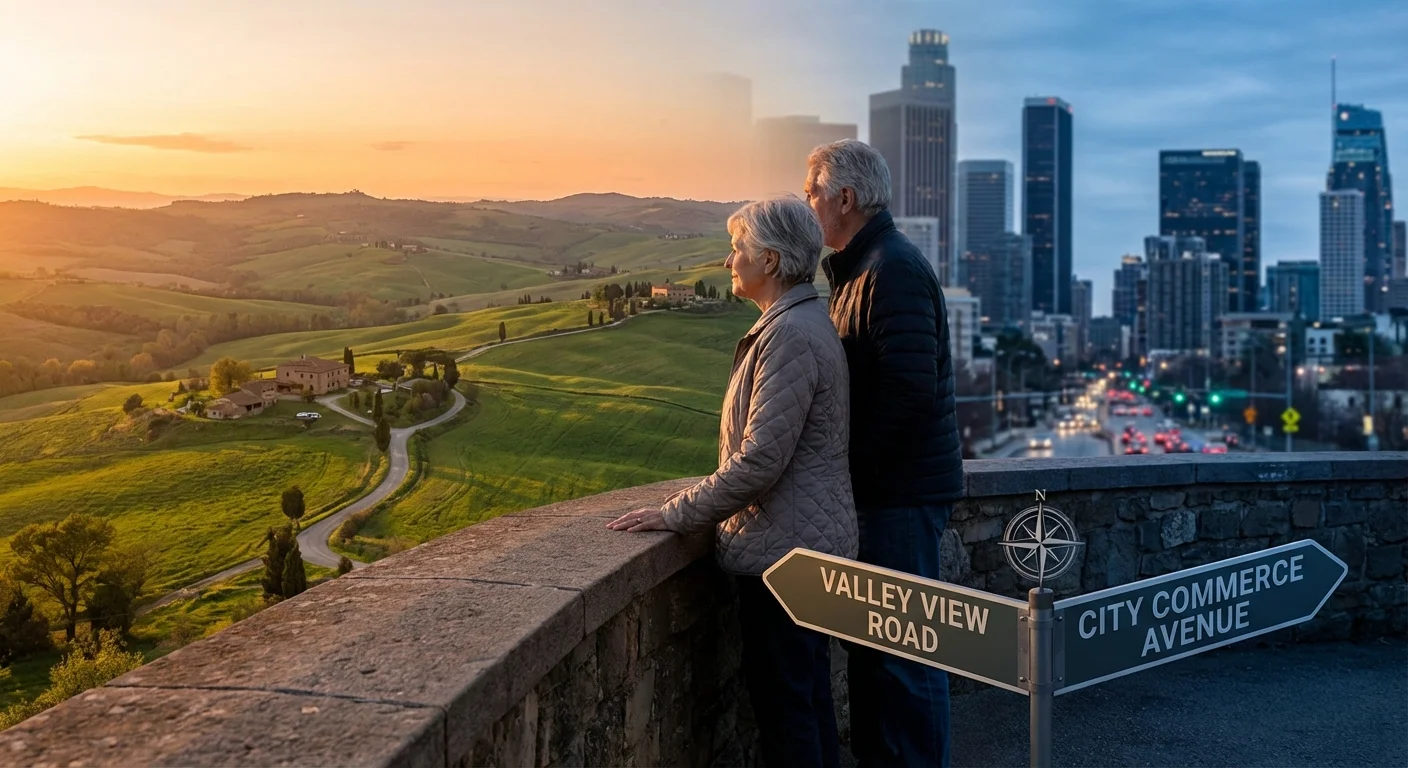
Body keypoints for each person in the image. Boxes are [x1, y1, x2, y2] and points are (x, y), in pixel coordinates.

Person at [608, 196, 856, 768]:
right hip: (803, 543)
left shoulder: (789, 335)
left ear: (769, 260)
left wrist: (675, 513)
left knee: (788, 709)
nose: (728, 261)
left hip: (786, 555)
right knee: (807, 697)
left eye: (737, 248)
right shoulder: (801, 322)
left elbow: (760, 460)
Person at [804, 138, 963, 767]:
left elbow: (907, 391)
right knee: (877, 651)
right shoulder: (865, 267)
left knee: (905, 655)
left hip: (899, 494)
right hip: (888, 489)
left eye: (813, 192)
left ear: (845, 198)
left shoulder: (889, 269)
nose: (809, 203)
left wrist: (849, 470)